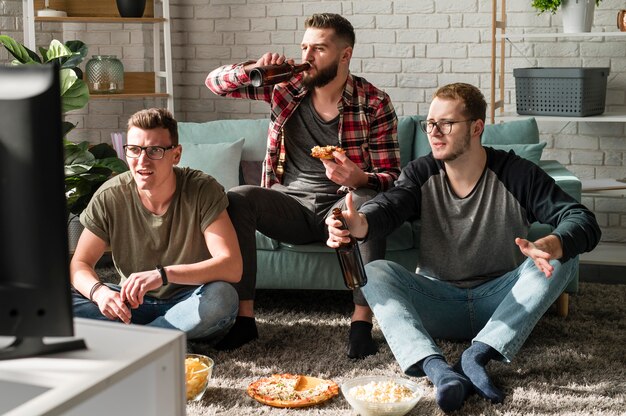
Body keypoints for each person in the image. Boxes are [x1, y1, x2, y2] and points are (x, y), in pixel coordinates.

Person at [326, 83, 601, 412]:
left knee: (562, 259)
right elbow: (390, 207)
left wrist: (552, 243)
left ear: (476, 127)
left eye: (446, 123)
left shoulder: (516, 173)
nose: (434, 131)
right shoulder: (421, 172)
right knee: (376, 272)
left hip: (500, 304)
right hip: (437, 301)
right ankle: (438, 371)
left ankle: (477, 356)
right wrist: (360, 224)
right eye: (430, 123)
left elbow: (582, 219)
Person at [205, 13, 401, 357]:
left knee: (368, 199)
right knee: (237, 198)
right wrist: (254, 69)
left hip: (342, 208)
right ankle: (245, 319)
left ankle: (361, 321)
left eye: (319, 49)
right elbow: (214, 83)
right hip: (290, 207)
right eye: (304, 47)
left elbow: (391, 176)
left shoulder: (373, 102)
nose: (307, 56)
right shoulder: (284, 87)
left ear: (345, 55)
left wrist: (360, 178)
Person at [70, 108, 242, 343]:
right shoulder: (110, 195)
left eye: (155, 151)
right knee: (53, 299)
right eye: (134, 150)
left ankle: (136, 340)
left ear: (176, 154)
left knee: (222, 298)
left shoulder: (202, 189)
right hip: (131, 303)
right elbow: (80, 264)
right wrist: (99, 293)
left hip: (190, 300)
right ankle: (159, 339)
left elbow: (231, 266)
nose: (142, 160)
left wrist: (162, 275)